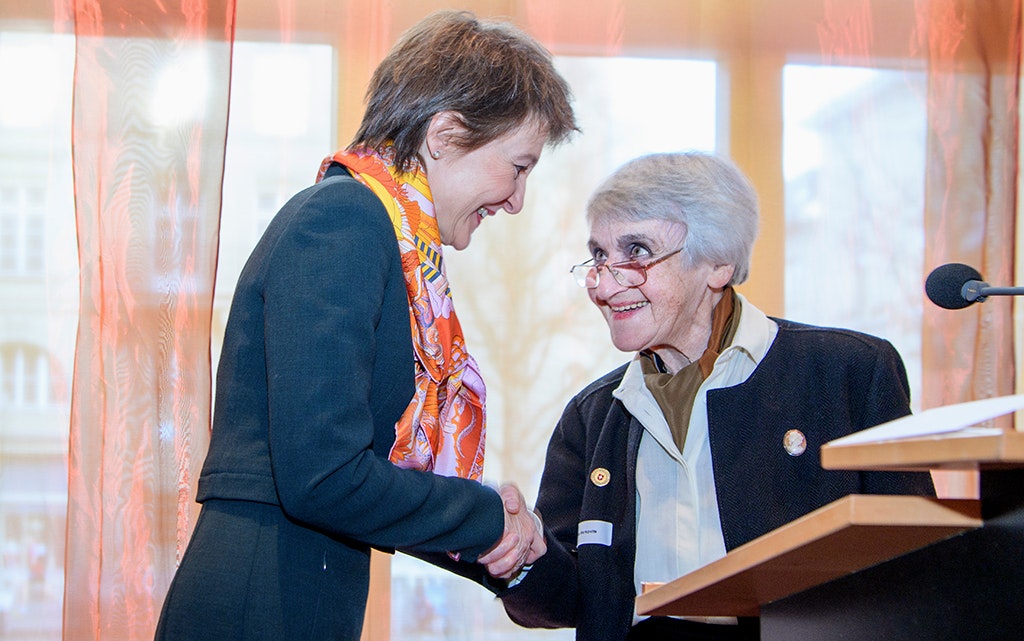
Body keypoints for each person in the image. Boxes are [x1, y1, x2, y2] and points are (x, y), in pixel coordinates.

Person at [154, 10, 577, 641]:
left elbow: (371, 480)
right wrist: (487, 518)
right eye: (518, 166)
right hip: (263, 599)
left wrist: (512, 549)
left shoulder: (383, 237)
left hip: (296, 589)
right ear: (447, 133)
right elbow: (325, 478)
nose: (517, 200)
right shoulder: (344, 221)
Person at [496, 152, 935, 641]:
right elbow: (570, 600)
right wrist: (524, 558)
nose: (602, 284)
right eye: (598, 256)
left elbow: (913, 566)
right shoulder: (592, 415)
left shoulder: (849, 373)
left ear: (719, 263)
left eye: (636, 252)